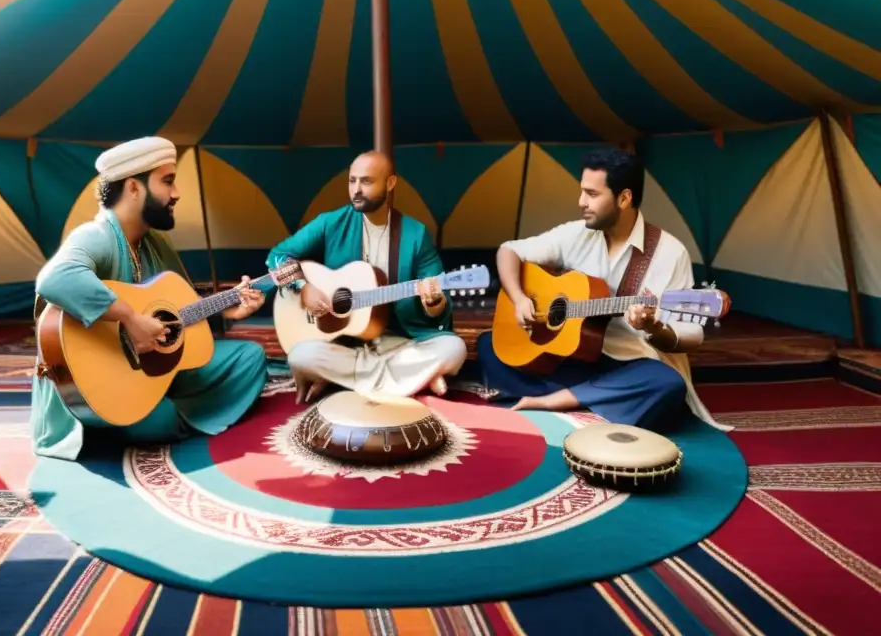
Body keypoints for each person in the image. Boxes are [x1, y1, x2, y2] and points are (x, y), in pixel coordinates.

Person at [30, 136, 270, 461]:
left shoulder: (155, 243)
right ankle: (142, 413)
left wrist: (229, 313)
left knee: (249, 358)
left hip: (148, 372)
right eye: (168, 181)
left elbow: (181, 314)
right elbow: (54, 278)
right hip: (94, 385)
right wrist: (129, 317)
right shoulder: (96, 235)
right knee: (161, 419)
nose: (176, 193)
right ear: (133, 188)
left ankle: (150, 401)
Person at [475, 147, 725, 432]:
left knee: (666, 384)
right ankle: (594, 404)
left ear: (624, 198)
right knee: (491, 346)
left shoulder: (670, 252)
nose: (581, 202)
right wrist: (519, 299)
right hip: (574, 357)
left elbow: (692, 335)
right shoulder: (577, 233)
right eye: (582, 191)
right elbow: (509, 251)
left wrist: (655, 326)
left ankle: (552, 401)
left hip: (627, 365)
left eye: (592, 195)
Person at [266, 151, 468, 403]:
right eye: (352, 181)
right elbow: (277, 256)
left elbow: (439, 300)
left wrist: (433, 302)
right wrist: (303, 286)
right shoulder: (331, 222)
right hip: (345, 344)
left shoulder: (416, 235)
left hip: (401, 343)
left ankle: (343, 379)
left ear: (390, 183)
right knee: (299, 355)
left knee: (454, 349)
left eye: (366, 181)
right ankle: (413, 381)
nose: (356, 190)